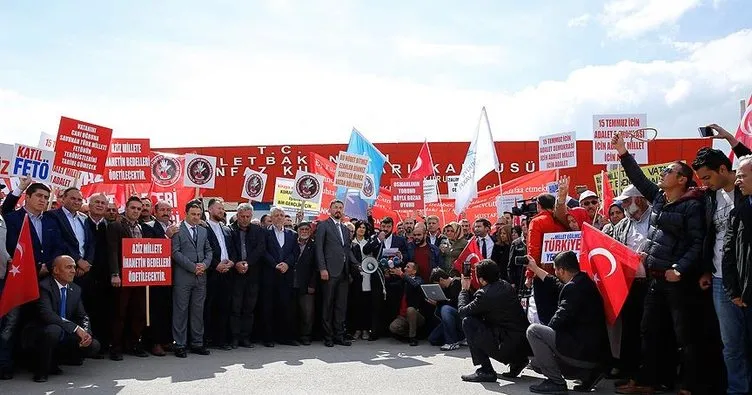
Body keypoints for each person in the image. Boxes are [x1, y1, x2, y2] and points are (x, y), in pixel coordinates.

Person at [612, 133, 705, 395]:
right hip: (655, 279)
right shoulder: (661, 199)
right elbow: (639, 180)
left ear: (682, 179)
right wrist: (623, 153)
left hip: (677, 281)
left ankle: (689, 385)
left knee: (684, 335)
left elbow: (697, 243)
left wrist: (679, 269)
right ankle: (649, 380)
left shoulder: (692, 206)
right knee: (650, 330)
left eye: (668, 171)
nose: (662, 174)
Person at [693, 139, 749, 394]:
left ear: (724, 170)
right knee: (731, 345)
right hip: (719, 280)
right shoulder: (709, 198)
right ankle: (737, 389)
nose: (704, 182)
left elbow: (748, 161)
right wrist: (706, 269)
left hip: (747, 277)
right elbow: (711, 236)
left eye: (707, 176)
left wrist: (729, 137)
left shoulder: (744, 189)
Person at [526, 252, 610, 393]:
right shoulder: (583, 282)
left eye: (556, 270)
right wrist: (535, 268)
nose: (556, 274)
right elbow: (555, 283)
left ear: (562, 270)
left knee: (534, 332)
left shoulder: (573, 288)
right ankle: (589, 376)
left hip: (582, 352)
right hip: (595, 352)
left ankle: (556, 381)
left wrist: (546, 342)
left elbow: (559, 319)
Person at [27, 255, 100, 383]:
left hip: (63, 331)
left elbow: (83, 316)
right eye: (68, 267)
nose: (73, 270)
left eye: (74, 267)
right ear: (55, 270)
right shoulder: (44, 287)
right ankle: (41, 370)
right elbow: (47, 315)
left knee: (94, 345)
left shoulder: (75, 289)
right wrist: (76, 328)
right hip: (41, 332)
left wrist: (86, 333)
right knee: (54, 330)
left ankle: (62, 360)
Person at [459, 259, 531, 383]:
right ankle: (518, 361)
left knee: (468, 322)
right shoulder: (506, 285)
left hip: (507, 344)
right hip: (523, 344)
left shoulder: (485, 295)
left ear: (481, 279)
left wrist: (464, 290)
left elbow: (462, 311)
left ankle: (486, 370)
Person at [107, 196, 153, 361]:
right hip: (122, 276)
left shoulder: (142, 228)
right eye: (133, 208)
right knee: (120, 312)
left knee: (139, 311)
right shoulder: (116, 226)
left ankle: (133, 344)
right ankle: (116, 347)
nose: (136, 211)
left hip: (139, 277)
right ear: (126, 208)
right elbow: (112, 251)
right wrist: (115, 274)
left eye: (139, 209)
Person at [722, 154, 752, 394]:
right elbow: (728, 254)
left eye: (742, 175)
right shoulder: (737, 213)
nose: (738, 180)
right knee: (736, 346)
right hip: (743, 295)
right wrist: (733, 291)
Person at [171, 201, 213, 358]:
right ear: (186, 214)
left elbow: (208, 250)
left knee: (197, 311)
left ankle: (197, 343)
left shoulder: (203, 231)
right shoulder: (177, 230)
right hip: (183, 276)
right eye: (193, 214)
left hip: (201, 276)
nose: (196, 217)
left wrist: (204, 264)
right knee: (180, 311)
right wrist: (192, 267)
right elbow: (175, 252)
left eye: (198, 214)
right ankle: (180, 344)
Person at [142, 201, 179, 356]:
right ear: (155, 212)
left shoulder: (177, 227)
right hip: (155, 274)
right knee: (155, 309)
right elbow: (151, 248)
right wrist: (166, 236)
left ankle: (166, 340)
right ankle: (154, 342)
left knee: (169, 307)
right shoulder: (148, 226)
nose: (166, 212)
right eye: (162, 209)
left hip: (173, 273)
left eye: (168, 210)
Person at [315, 200, 354, 347]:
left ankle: (339, 335)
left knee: (341, 306)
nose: (338, 210)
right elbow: (319, 249)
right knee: (328, 305)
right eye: (335, 207)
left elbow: (347, 250)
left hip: (344, 272)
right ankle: (328, 336)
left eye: (340, 208)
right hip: (329, 272)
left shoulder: (345, 229)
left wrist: (357, 265)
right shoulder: (323, 226)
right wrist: (322, 268)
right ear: (329, 209)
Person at [229, 203, 266, 349]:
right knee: (235, 307)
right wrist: (237, 263)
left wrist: (247, 263)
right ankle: (234, 338)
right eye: (242, 216)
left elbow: (260, 248)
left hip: (252, 274)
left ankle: (245, 338)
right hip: (235, 274)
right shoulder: (230, 230)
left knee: (249, 308)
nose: (245, 219)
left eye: (248, 217)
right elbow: (229, 248)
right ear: (237, 216)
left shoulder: (258, 230)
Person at [527, 193, 568, 325]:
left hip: (542, 274)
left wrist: (530, 274)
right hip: (563, 274)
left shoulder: (537, 222)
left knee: (546, 317)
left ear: (539, 205)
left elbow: (533, 249)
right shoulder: (562, 221)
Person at [203, 198, 237, 350]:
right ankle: (206, 338)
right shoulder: (203, 228)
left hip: (227, 272)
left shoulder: (227, 229)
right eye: (218, 208)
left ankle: (221, 339)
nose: (221, 211)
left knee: (224, 307)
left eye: (222, 209)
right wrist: (216, 265)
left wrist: (232, 262)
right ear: (209, 210)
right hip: (212, 272)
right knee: (209, 306)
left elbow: (232, 249)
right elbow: (203, 250)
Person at [262, 206, 298, 347]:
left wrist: (287, 264)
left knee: (285, 306)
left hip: (285, 275)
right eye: (276, 215)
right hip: (270, 274)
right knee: (268, 307)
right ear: (271, 217)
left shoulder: (292, 234)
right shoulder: (265, 233)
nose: (279, 218)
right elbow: (263, 251)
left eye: (281, 215)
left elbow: (294, 252)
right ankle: (268, 338)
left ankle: (284, 337)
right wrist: (275, 264)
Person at [49, 188, 95, 284]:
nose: (76, 202)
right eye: (73, 198)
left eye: (79, 200)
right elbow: (59, 241)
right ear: (63, 199)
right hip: (62, 270)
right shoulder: (52, 216)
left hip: (83, 272)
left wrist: (86, 263)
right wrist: (78, 261)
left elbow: (90, 243)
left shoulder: (84, 218)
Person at [348, 220, 375, 340]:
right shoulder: (350, 243)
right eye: (360, 227)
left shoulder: (368, 243)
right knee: (356, 303)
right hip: (355, 277)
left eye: (364, 228)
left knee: (366, 303)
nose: (362, 230)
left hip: (367, 276)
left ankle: (365, 329)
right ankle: (357, 329)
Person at [387, 262, 424, 346]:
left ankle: (412, 338)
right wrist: (387, 276)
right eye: (405, 267)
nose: (405, 269)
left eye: (408, 267)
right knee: (393, 327)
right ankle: (409, 335)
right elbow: (391, 286)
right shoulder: (404, 280)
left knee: (410, 310)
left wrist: (402, 274)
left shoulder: (419, 279)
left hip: (416, 315)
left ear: (414, 271)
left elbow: (415, 285)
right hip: (403, 316)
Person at [427, 268, 463, 351]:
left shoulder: (457, 283)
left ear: (441, 280)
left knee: (446, 309)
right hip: (451, 321)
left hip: (461, 318)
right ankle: (460, 338)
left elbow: (455, 303)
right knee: (433, 339)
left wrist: (438, 303)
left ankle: (452, 342)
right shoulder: (446, 288)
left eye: (438, 284)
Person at [293, 221, 317, 345]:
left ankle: (306, 335)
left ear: (310, 231)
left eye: (306, 230)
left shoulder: (314, 246)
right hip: (292, 283)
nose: (304, 231)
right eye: (301, 229)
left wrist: (312, 285)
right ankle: (294, 335)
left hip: (307, 284)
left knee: (307, 312)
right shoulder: (292, 243)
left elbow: (316, 267)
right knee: (293, 311)